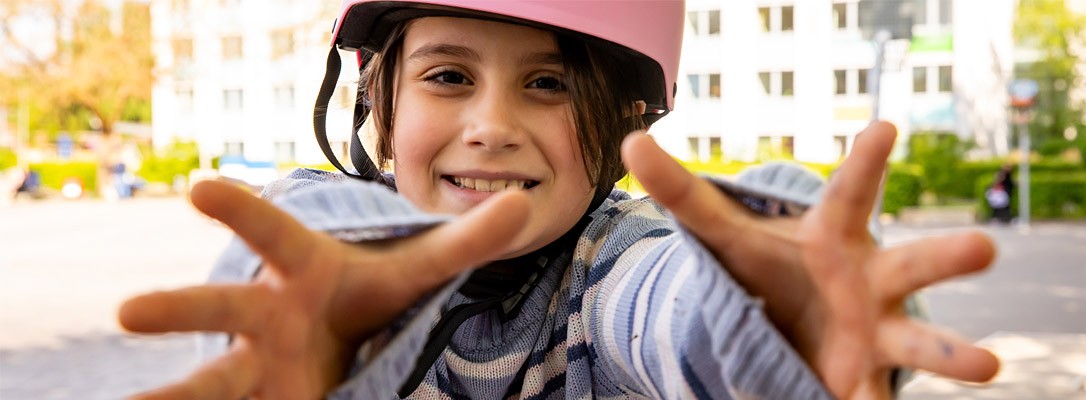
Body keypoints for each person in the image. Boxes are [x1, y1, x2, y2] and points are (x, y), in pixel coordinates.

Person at [118, 1, 1000, 398]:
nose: (492, 125)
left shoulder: (610, 261)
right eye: (450, 75)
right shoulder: (324, 230)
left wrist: (770, 317)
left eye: (548, 82)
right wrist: (323, 326)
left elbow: (665, 304)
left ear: (619, 122)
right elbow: (308, 247)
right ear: (377, 105)